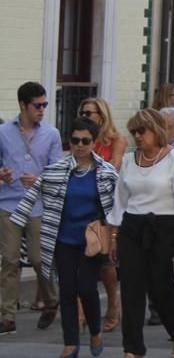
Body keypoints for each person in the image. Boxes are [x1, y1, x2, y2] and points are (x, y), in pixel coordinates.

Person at [10, 117, 118, 357]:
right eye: (75, 140)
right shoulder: (56, 170)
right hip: (62, 239)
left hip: (92, 241)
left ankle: (95, 330)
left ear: (94, 142)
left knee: (88, 288)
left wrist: (115, 236)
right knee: (67, 290)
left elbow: (117, 206)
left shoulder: (106, 172)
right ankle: (70, 343)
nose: (79, 145)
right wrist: (16, 221)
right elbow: (33, 194)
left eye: (85, 140)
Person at [108, 108, 174, 358]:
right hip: (132, 228)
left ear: (156, 131)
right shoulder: (128, 160)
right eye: (134, 131)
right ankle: (132, 349)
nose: (138, 136)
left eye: (142, 131)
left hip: (165, 228)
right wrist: (113, 236)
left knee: (161, 288)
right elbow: (120, 200)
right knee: (131, 289)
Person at [0, 81, 62, 334]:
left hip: (37, 205)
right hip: (9, 203)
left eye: (45, 104)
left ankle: (51, 301)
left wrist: (39, 180)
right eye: (37, 105)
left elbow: (58, 171)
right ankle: (7, 316)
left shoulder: (51, 134)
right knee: (9, 260)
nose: (42, 109)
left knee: (39, 259)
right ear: (23, 105)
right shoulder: (3, 132)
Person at [77, 97, 125, 331]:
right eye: (83, 112)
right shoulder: (81, 139)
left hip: (105, 205)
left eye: (90, 113)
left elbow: (112, 167)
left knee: (105, 262)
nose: (85, 116)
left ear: (101, 116)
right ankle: (81, 311)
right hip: (83, 203)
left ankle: (113, 305)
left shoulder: (116, 140)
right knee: (82, 257)